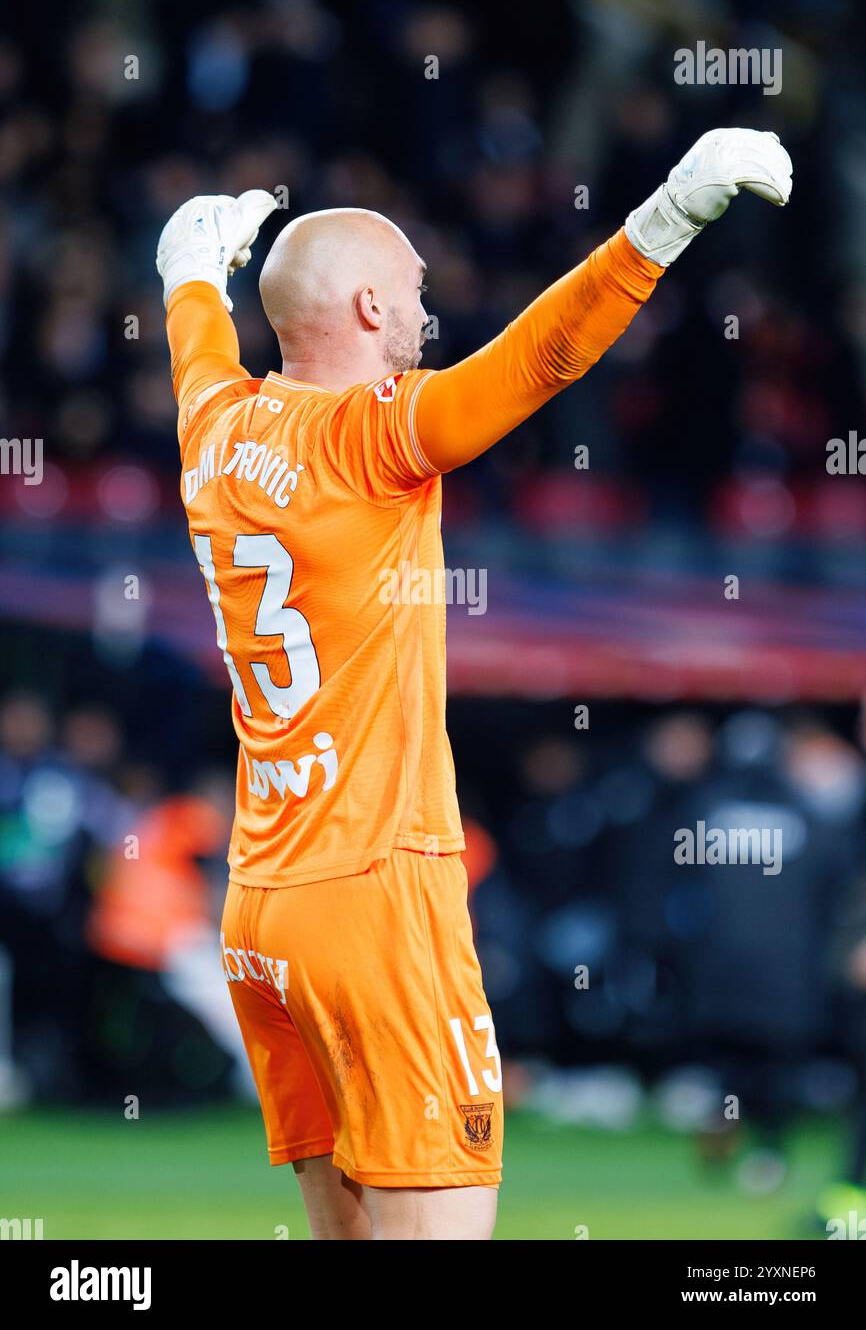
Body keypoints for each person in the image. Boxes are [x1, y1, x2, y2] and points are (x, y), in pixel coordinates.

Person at [156, 128, 791, 1240]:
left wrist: (188, 270)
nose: (421, 306)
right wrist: (670, 216)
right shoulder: (371, 438)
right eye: (408, 286)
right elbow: (541, 357)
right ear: (362, 310)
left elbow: (196, 336)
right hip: (377, 885)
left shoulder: (211, 425)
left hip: (263, 897)